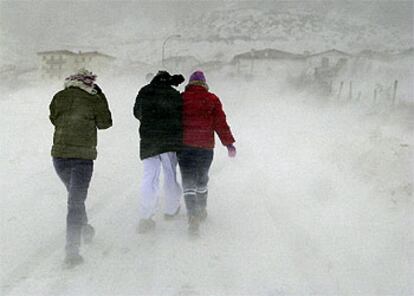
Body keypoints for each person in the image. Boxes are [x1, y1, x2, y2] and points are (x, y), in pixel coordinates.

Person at [49, 68, 112, 267]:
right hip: (82, 158)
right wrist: (100, 96)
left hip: (59, 157)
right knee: (75, 201)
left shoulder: (59, 96)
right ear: (90, 83)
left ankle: (84, 228)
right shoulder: (93, 99)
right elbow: (105, 123)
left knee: (74, 197)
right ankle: (72, 251)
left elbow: (53, 118)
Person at [178, 70, 236, 234]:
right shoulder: (212, 99)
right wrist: (229, 144)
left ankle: (192, 215)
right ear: (204, 83)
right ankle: (201, 210)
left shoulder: (181, 99)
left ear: (190, 83)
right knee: (202, 179)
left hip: (185, 146)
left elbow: (173, 122)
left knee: (188, 180)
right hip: (205, 147)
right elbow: (221, 123)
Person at [133, 71, 185, 233]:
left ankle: (146, 216)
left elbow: (136, 113)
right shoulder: (174, 94)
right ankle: (171, 210)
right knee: (170, 176)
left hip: (149, 141)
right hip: (169, 141)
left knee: (149, 178)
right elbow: (182, 116)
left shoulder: (144, 91)